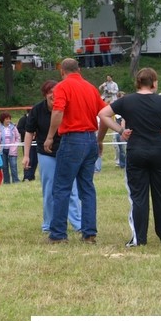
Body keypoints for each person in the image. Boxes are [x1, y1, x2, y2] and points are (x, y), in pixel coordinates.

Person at [98, 68, 161, 246]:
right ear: (154, 83)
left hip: (136, 151)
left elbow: (103, 114)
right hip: (159, 150)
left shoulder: (126, 101)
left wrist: (120, 130)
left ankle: (139, 239)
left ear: (138, 83)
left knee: (138, 196)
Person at [44, 58, 107, 244]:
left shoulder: (62, 87)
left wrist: (49, 137)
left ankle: (58, 234)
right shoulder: (91, 88)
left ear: (62, 72)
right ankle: (89, 234)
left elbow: (57, 111)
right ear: (79, 69)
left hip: (72, 139)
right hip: (90, 139)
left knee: (62, 187)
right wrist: (100, 139)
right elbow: (105, 114)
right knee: (87, 188)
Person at [23, 80, 82, 234]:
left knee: (72, 188)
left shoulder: (66, 107)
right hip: (46, 153)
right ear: (45, 94)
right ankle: (48, 224)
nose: (54, 95)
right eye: (50, 92)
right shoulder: (37, 110)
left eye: (56, 92)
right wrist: (26, 155)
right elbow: (29, 132)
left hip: (67, 151)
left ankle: (77, 224)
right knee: (49, 189)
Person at [0, 112, 20, 184]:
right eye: (6, 119)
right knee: (4, 167)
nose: (8, 120)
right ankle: (6, 181)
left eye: (9, 119)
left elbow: (18, 137)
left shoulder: (13, 128)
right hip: (2, 150)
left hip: (12, 150)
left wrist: (15, 145)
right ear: (2, 120)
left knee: (13, 165)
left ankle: (16, 180)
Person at [17, 109, 37, 181]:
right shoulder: (23, 119)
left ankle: (32, 175)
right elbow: (19, 128)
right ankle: (26, 176)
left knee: (35, 160)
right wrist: (28, 133)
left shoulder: (35, 119)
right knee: (28, 159)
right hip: (26, 143)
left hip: (35, 142)